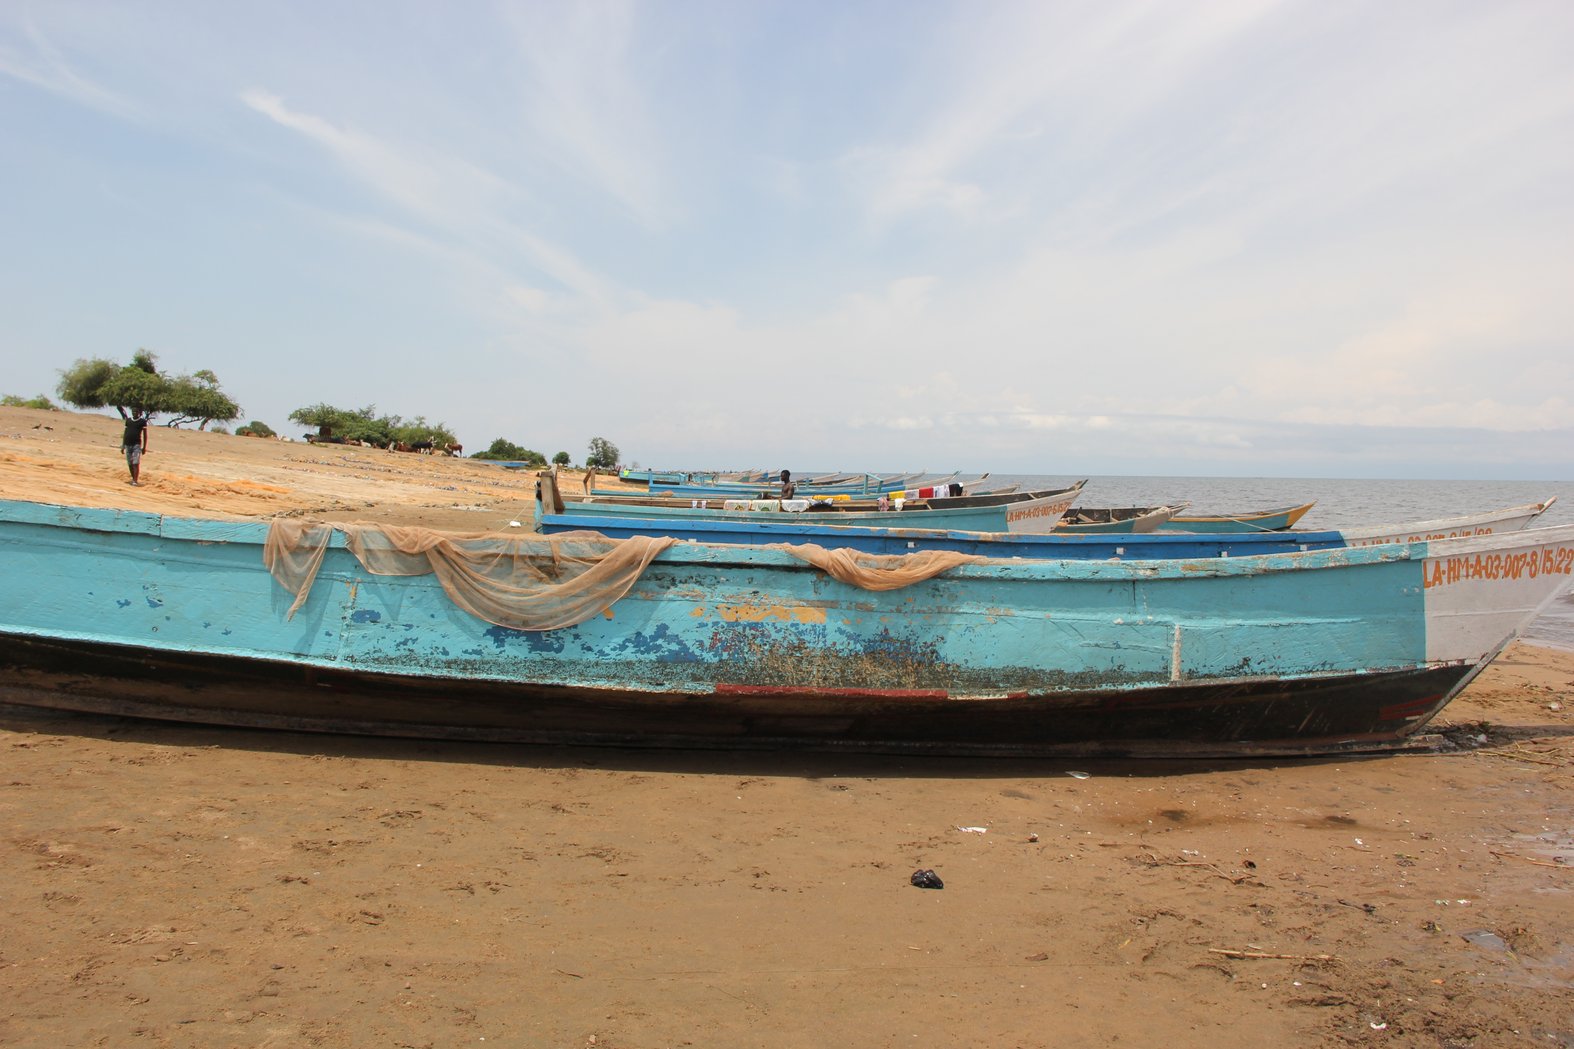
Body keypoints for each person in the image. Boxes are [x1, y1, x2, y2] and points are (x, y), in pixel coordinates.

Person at [121, 411, 150, 486]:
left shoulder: (142, 422)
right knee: (130, 463)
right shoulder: (128, 421)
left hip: (136, 445)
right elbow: (125, 433)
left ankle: (135, 480)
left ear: (139, 413)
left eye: (136, 412)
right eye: (133, 411)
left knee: (135, 463)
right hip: (128, 444)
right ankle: (133, 478)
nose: (134, 413)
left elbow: (145, 435)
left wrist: (144, 447)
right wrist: (123, 445)